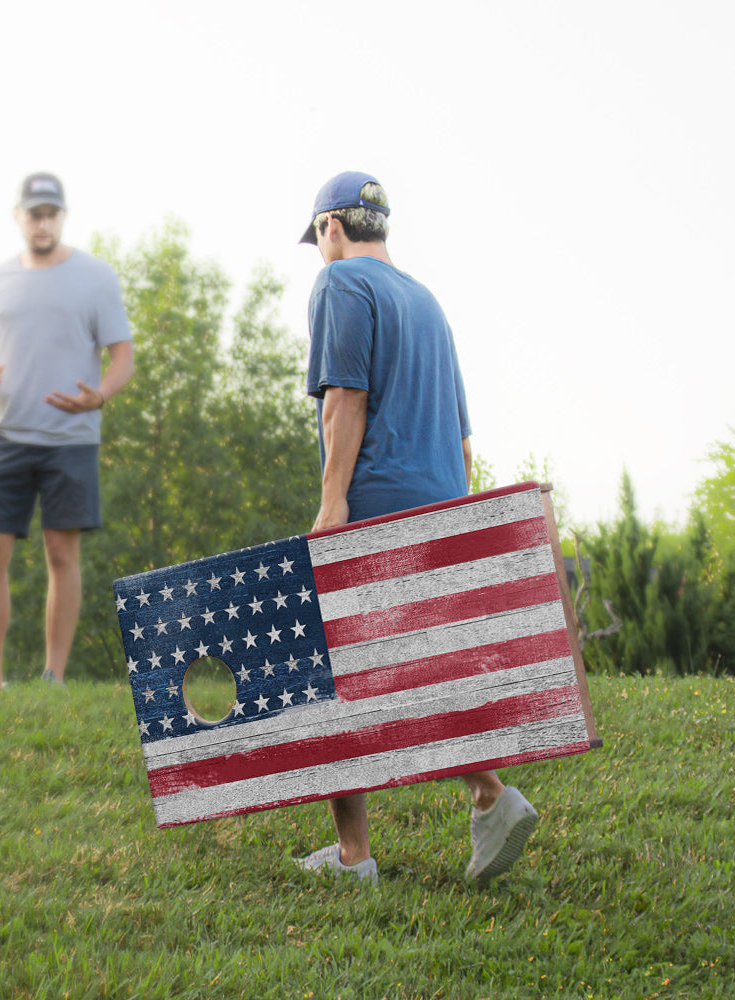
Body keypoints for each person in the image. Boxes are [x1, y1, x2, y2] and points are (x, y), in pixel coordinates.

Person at [295, 171, 538, 886]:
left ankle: (354, 858)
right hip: (442, 499)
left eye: (315, 236)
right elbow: (464, 439)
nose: (318, 249)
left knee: (336, 676)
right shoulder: (429, 304)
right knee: (419, 669)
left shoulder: (341, 285)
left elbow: (346, 397)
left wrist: (334, 501)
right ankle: (491, 795)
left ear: (331, 228)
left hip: (375, 496)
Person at [0, 172, 134, 689]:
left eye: (51, 213)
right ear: (19, 216)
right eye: (34, 213)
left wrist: (99, 395)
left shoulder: (96, 277)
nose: (42, 222)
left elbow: (123, 355)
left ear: (62, 216)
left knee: (62, 552)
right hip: (4, 436)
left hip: (70, 438)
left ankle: (53, 676)